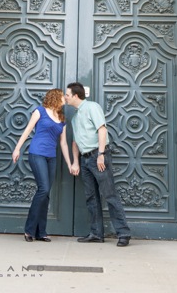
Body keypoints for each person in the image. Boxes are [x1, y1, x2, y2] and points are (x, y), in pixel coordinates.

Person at [65, 82, 131, 247]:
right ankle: (96, 233)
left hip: (97, 156)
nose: (65, 98)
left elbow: (102, 130)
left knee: (109, 195)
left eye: (67, 94)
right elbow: (75, 142)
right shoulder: (74, 117)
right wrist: (75, 161)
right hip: (84, 159)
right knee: (91, 197)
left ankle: (123, 233)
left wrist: (101, 154)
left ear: (75, 95)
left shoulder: (92, 107)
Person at [12, 88, 71, 242]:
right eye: (63, 96)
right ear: (55, 97)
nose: (65, 98)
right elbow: (27, 130)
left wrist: (70, 163)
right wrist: (17, 148)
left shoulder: (62, 118)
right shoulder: (40, 111)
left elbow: (63, 144)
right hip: (37, 153)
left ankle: (41, 232)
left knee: (45, 194)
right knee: (43, 188)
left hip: (51, 157)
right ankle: (29, 230)